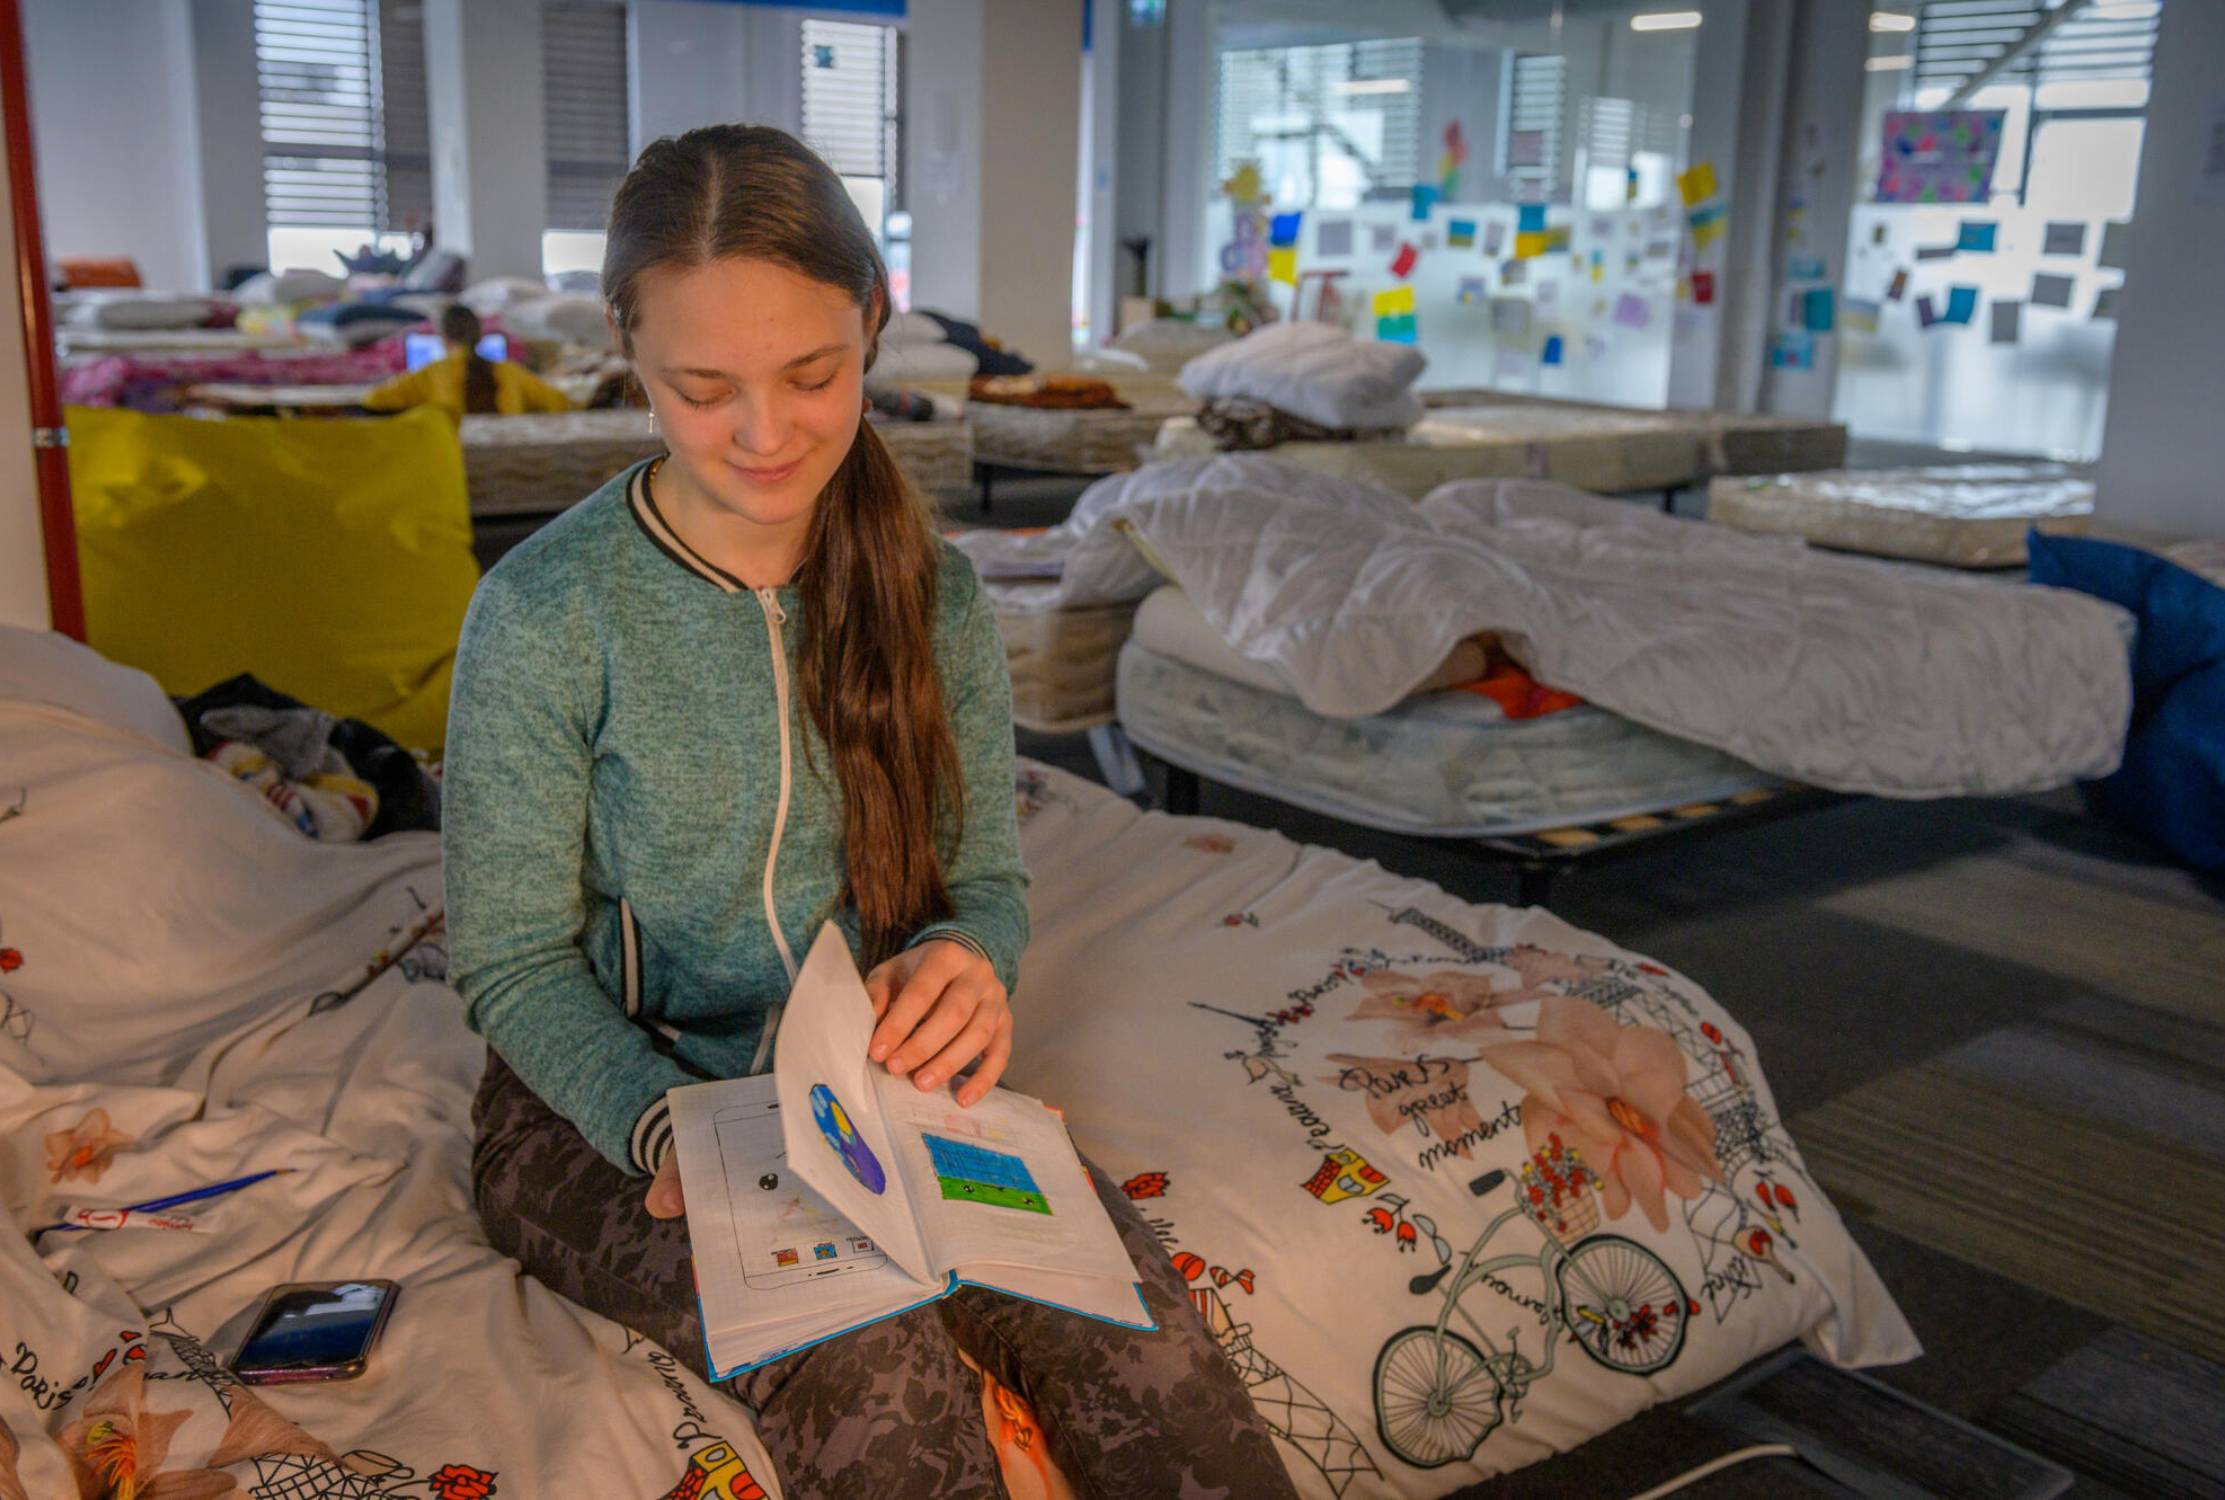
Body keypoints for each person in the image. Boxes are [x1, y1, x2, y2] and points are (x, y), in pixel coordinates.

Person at [444, 124, 1296, 1498]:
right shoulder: (546, 613)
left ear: (874, 329)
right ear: (625, 348)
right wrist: (667, 1123)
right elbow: (511, 960)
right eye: (702, 386)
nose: (766, 434)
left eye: (812, 374)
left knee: (1134, 1344)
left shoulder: (934, 593)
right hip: (612, 1113)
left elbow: (985, 883)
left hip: (873, 1094)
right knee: (872, 1366)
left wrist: (971, 963)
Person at [363, 302, 572, 417]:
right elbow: (558, 401)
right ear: (480, 336)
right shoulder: (509, 371)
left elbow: (375, 400)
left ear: (443, 337)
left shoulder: (433, 372)